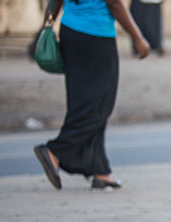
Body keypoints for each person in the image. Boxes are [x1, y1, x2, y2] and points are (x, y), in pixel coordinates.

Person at [32, 0, 150, 191]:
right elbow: (114, 3)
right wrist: (138, 38)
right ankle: (55, 150)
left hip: (71, 32)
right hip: (97, 36)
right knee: (100, 103)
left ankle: (99, 170)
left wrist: (44, 29)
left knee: (83, 100)